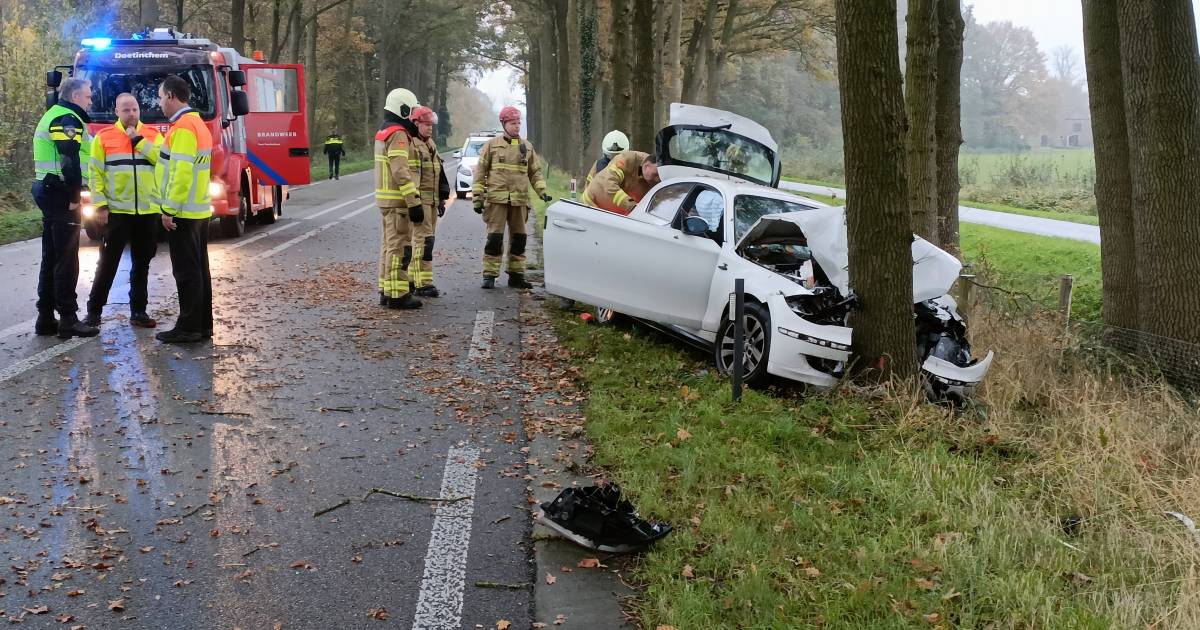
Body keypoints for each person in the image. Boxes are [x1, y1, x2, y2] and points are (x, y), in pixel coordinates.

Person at [135, 75, 214, 343]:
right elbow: (178, 166)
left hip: (183, 212)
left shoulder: (182, 127)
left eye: (160, 97)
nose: (159, 103)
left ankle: (188, 327)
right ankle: (202, 325)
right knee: (199, 270)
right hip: (197, 209)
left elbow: (181, 173)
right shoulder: (197, 124)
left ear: (170, 95)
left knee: (186, 272)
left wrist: (168, 209)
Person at [84, 93, 163, 329]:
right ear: (116, 112)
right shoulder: (104, 137)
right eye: (126, 110)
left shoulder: (153, 135)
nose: (131, 114)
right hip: (117, 212)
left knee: (142, 264)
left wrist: (138, 140)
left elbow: (163, 162)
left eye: (135, 109)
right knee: (107, 264)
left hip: (147, 211)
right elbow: (95, 174)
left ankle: (138, 311)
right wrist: (100, 205)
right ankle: (94, 312)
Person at [31, 77, 99, 338]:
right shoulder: (66, 119)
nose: (90, 101)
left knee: (52, 256)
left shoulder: (58, 114)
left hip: (50, 191)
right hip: (60, 193)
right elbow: (69, 160)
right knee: (66, 259)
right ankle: (68, 319)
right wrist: (74, 195)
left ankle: (45, 317)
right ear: (75, 96)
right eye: (88, 96)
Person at [472, 106, 551, 290]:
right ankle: (489, 275)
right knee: (494, 239)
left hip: (519, 201)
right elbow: (480, 173)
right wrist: (477, 198)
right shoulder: (491, 146)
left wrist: (542, 191)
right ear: (504, 124)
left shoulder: (527, 147)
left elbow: (535, 173)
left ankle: (516, 276)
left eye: (518, 123)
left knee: (519, 239)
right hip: (496, 202)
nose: (517, 126)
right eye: (513, 123)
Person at [374, 88, 424, 309]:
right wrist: (414, 202)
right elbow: (401, 171)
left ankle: (387, 290)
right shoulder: (399, 134)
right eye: (411, 111)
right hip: (398, 202)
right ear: (402, 109)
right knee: (400, 248)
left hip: (387, 201)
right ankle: (398, 295)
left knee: (388, 247)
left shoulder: (384, 131)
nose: (414, 117)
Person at [407, 106, 448, 298]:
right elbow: (412, 177)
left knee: (425, 241)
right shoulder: (413, 145)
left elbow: (437, 174)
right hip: (421, 201)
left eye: (431, 124)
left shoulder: (430, 144)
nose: (430, 128)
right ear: (416, 124)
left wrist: (440, 200)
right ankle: (422, 283)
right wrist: (415, 203)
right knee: (424, 241)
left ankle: (413, 279)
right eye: (426, 124)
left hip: (431, 201)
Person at [581, 150, 661, 216]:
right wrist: (632, 206)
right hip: (591, 204)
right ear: (646, 166)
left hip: (614, 214)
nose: (658, 179)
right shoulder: (627, 159)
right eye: (656, 174)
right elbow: (609, 184)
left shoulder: (655, 178)